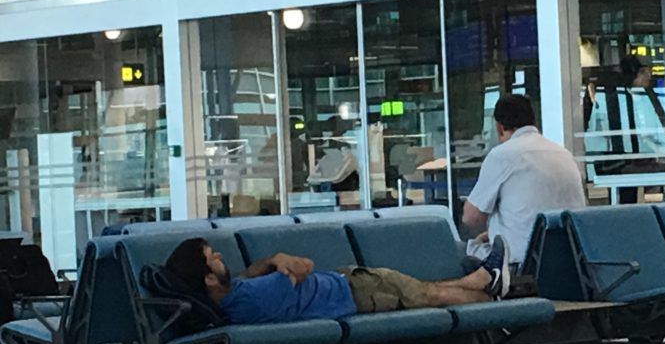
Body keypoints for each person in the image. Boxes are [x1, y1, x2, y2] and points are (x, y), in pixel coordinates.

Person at [163, 234, 511, 326]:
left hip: (349, 287)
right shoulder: (255, 296)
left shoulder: (235, 296)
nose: (221, 256)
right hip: (354, 292)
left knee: (426, 289)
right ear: (209, 278)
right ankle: (496, 307)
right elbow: (306, 265)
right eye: (214, 258)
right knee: (430, 295)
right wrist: (284, 261)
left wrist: (273, 260)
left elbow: (247, 275)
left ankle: (483, 281)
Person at [462, 94, 585, 265]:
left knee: (465, 255)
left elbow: (471, 218)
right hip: (571, 261)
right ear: (533, 122)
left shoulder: (502, 155)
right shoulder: (563, 154)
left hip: (520, 264)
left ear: (499, 128)